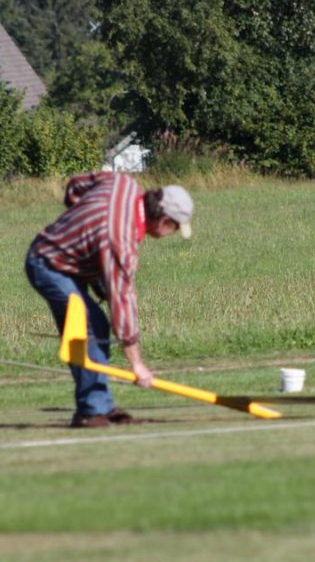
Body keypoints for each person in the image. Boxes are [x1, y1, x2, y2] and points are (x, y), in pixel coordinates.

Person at [25, 171, 194, 427]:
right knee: (90, 328)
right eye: (175, 228)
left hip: (69, 261)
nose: (172, 233)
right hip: (48, 265)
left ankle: (99, 405)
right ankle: (91, 411)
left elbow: (75, 185)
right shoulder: (120, 241)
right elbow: (121, 301)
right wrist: (137, 365)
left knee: (94, 328)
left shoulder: (123, 183)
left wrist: (82, 224)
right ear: (163, 221)